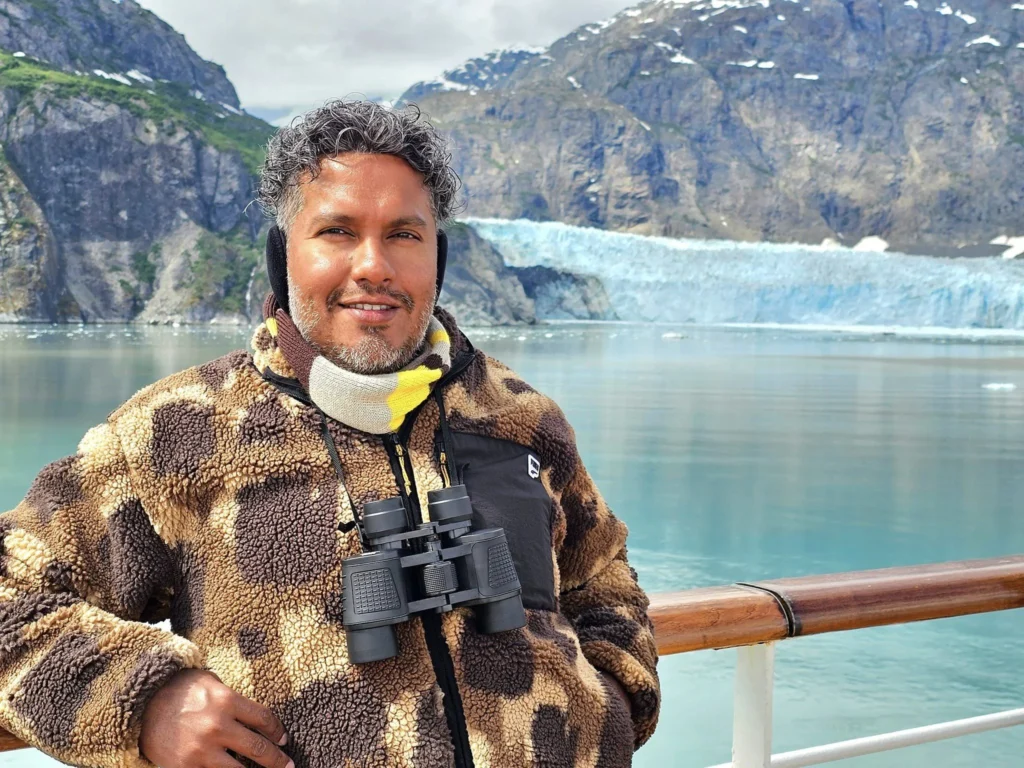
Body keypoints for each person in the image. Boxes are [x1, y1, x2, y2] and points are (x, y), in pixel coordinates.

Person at [0, 100, 660, 768]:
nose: (374, 265)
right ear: (281, 256)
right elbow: (8, 596)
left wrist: (610, 705)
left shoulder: (521, 416)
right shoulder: (177, 433)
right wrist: (144, 702)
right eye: (338, 231)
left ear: (440, 257)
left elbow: (603, 574)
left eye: (404, 234)